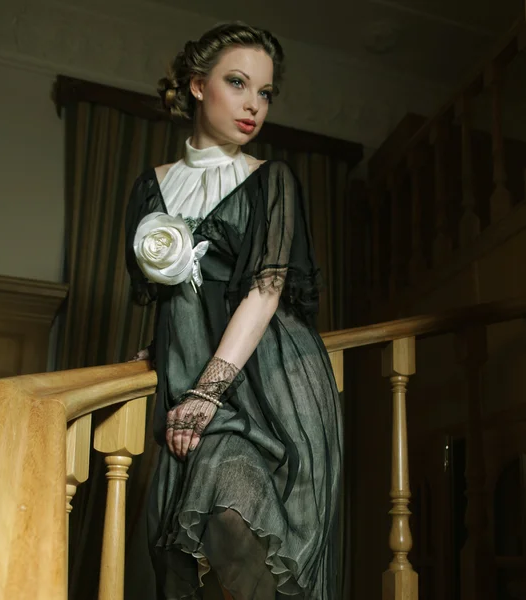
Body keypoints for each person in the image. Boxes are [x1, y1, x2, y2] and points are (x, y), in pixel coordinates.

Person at [125, 22, 343, 600]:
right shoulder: (150, 189)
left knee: (235, 517)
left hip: (267, 384)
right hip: (188, 375)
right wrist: (167, 348)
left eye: (265, 93)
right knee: (197, 547)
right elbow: (176, 297)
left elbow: (266, 291)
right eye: (238, 83)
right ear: (198, 86)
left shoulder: (272, 181)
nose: (254, 105)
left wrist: (205, 391)